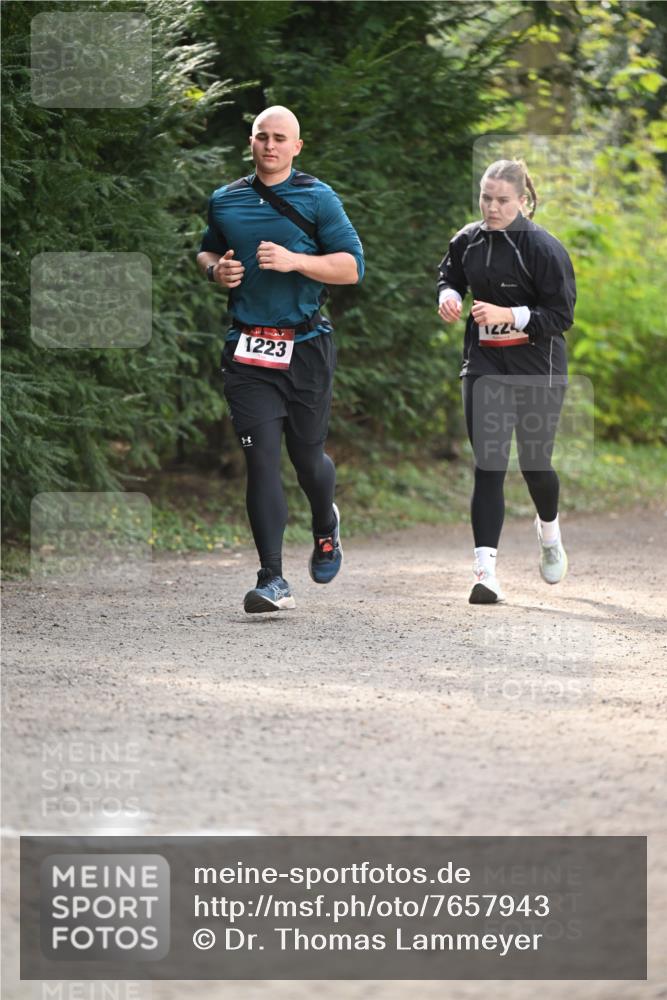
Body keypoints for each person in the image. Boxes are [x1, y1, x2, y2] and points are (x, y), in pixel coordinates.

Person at [197, 106, 364, 613]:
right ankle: (272, 578)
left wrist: (295, 261)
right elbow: (208, 250)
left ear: (297, 146)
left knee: (307, 458)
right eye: (262, 137)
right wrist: (215, 271)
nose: (270, 146)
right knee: (261, 460)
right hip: (248, 350)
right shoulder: (226, 200)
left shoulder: (318, 198)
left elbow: (351, 266)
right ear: (251, 142)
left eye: (280, 138)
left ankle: (325, 523)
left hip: (306, 346)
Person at [437, 159, 576, 604]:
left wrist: (508, 315)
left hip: (539, 367)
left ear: (522, 201)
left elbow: (561, 316)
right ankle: (485, 574)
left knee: (536, 465)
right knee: (489, 464)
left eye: (501, 200)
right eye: (485, 198)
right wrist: (450, 296)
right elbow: (451, 274)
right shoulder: (467, 240)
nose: (492, 208)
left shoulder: (543, 248)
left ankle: (549, 532)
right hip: (484, 364)